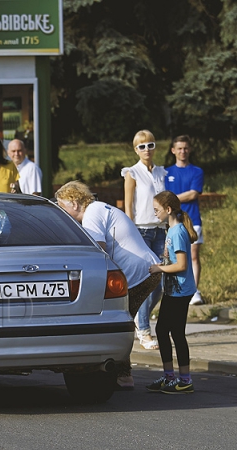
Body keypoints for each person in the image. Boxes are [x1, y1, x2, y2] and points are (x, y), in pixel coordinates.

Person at [55, 181, 162, 389]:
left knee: (120, 321)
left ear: (74, 203)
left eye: (62, 206)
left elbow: (98, 253)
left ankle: (123, 375)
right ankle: (123, 374)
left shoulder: (91, 215)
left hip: (138, 273)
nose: (62, 212)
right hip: (147, 269)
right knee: (124, 319)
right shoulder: (100, 208)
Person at [147, 190, 199, 394]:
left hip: (180, 291)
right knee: (161, 330)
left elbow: (182, 266)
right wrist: (162, 264)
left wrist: (160, 268)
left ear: (168, 209)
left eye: (157, 210)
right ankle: (169, 376)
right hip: (172, 290)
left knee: (176, 333)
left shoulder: (177, 232)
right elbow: (173, 262)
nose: (155, 214)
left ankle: (185, 379)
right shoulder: (171, 229)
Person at [122, 129, 166, 349]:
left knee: (161, 283)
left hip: (161, 230)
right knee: (147, 280)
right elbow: (128, 205)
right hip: (141, 231)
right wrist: (130, 233)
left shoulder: (161, 172)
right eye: (141, 146)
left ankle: (139, 320)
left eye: (150, 145)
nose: (146, 150)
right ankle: (145, 331)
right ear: (135, 149)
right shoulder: (131, 172)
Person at [166, 135, 205, 305]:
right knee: (174, 258)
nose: (183, 151)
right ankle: (176, 290)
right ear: (173, 150)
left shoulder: (197, 171)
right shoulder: (167, 172)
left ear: (190, 150)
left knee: (193, 256)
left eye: (185, 148)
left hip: (192, 219)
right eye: (179, 148)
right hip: (173, 222)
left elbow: (193, 193)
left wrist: (172, 199)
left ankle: (194, 292)